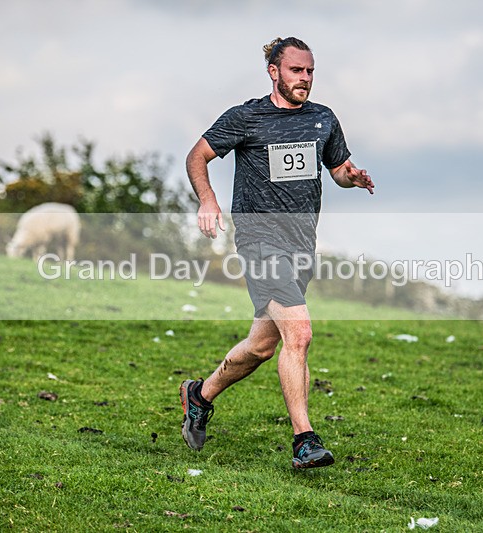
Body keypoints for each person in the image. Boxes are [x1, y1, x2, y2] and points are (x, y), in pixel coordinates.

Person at [180, 36, 374, 469]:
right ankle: (304, 440)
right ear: (274, 71)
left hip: (301, 245)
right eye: (296, 70)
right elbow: (197, 156)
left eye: (310, 71)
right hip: (259, 241)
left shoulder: (323, 119)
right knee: (299, 334)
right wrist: (207, 200)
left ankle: (199, 395)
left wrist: (352, 177)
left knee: (263, 346)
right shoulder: (246, 117)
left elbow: (337, 169)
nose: (305, 78)